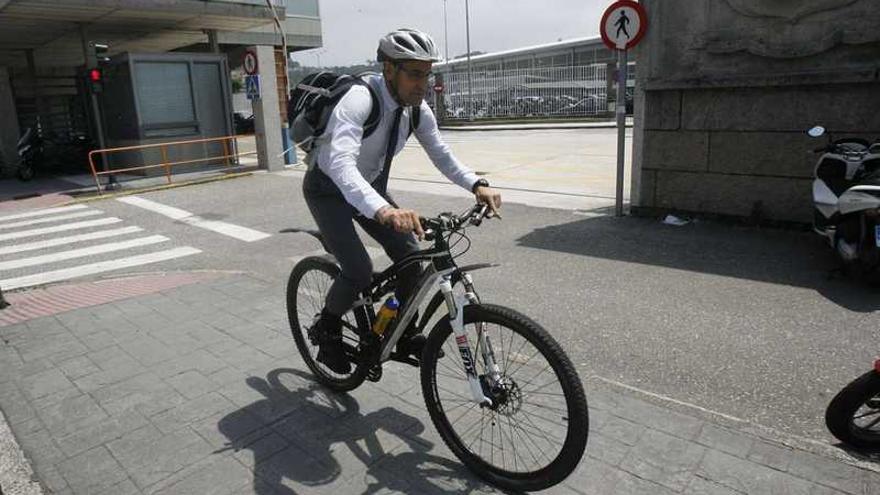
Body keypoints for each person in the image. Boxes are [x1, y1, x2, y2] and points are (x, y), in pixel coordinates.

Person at [301, 28, 501, 374]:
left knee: (413, 262)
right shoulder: (360, 99)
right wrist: (384, 209)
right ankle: (328, 328)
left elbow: (442, 154)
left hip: (368, 189)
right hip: (328, 189)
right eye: (414, 73)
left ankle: (399, 331)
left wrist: (476, 184)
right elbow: (340, 165)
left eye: (427, 74)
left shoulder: (417, 110)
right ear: (389, 69)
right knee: (359, 269)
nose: (422, 84)